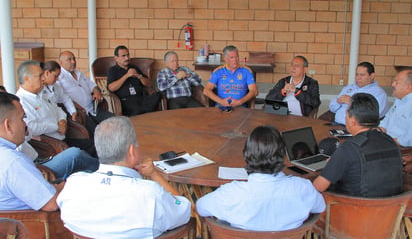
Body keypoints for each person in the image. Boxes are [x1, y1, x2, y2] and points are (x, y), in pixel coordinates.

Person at [57, 116, 191, 238]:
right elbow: (185, 209)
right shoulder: (151, 194)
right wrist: (154, 174)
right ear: (131, 151)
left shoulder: (73, 185)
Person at [196, 125, 325, 231]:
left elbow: (201, 207)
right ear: (283, 154)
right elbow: (320, 207)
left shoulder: (230, 193)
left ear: (247, 155)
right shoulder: (303, 187)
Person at [313, 93, 403, 197]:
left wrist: (334, 164)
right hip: (392, 209)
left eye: (346, 115)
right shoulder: (390, 141)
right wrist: (338, 162)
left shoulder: (349, 148)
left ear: (353, 121)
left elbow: (318, 187)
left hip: (356, 208)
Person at [16, 60, 97, 157]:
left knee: (97, 145)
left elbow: (57, 108)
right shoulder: (21, 102)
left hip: (63, 139)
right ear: (26, 79)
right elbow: (31, 127)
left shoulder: (41, 94)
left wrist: (62, 120)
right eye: (40, 76)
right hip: (51, 146)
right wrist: (57, 126)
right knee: (90, 151)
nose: (43, 78)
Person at [0, 92, 63, 211]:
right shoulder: (12, 161)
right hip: (34, 225)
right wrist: (65, 188)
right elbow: (52, 204)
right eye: (22, 118)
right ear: (8, 125)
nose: (25, 124)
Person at [57, 51, 114, 133]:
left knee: (116, 121)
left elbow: (92, 85)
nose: (73, 62)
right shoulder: (59, 78)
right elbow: (62, 98)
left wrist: (96, 92)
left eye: (74, 59)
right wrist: (75, 108)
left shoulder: (79, 73)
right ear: (61, 63)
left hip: (93, 109)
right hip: (81, 114)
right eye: (69, 60)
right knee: (99, 132)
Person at [107, 45, 162, 116]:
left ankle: (142, 113)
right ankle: (144, 113)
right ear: (116, 58)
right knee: (138, 108)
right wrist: (126, 76)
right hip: (126, 100)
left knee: (158, 95)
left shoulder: (134, 67)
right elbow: (111, 88)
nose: (127, 58)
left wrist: (138, 76)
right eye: (123, 56)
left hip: (141, 98)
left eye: (128, 55)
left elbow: (149, 84)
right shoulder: (113, 70)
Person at [379, 69, 412, 147]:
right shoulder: (398, 100)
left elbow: (409, 139)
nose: (393, 84)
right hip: (388, 142)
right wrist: (380, 128)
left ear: (409, 87)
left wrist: (392, 142)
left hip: (402, 149)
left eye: (397, 82)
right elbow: (387, 119)